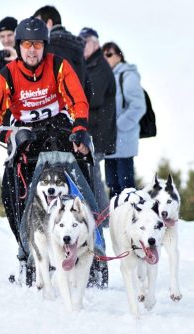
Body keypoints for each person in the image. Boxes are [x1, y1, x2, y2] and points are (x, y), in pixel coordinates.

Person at [0, 16, 90, 265]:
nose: (32, 51)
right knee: (10, 189)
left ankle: (93, 248)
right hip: (26, 133)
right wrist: (8, 135)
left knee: (83, 163)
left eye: (37, 45)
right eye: (27, 45)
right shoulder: (6, 74)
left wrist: (80, 127)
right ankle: (26, 248)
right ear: (18, 47)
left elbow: (78, 99)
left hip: (59, 128)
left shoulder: (58, 65)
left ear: (45, 46)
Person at [79, 28, 116, 223]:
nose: (82, 45)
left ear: (95, 43)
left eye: (85, 41)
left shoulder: (100, 67)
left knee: (94, 175)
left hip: (99, 134)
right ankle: (98, 215)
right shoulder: (89, 65)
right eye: (81, 41)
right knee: (90, 174)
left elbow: (93, 98)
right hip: (92, 132)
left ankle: (104, 218)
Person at [102, 41, 146, 198]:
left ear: (119, 56)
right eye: (103, 54)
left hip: (124, 140)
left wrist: (119, 125)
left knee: (125, 186)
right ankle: (116, 220)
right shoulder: (107, 77)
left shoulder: (128, 75)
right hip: (110, 142)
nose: (105, 57)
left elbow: (138, 106)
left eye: (109, 54)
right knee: (112, 186)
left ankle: (131, 219)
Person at [33, 5, 88, 92]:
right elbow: (87, 86)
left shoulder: (50, 46)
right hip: (77, 103)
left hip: (58, 104)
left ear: (49, 23)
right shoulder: (78, 47)